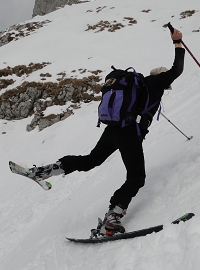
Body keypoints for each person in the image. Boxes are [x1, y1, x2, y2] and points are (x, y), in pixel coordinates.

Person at [30, 28, 185, 236]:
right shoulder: (157, 82)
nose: (168, 87)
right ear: (162, 78)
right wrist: (178, 43)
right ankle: (112, 218)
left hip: (113, 129)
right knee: (137, 177)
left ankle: (46, 170)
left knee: (91, 160)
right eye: (167, 85)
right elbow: (177, 70)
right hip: (128, 133)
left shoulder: (141, 86)